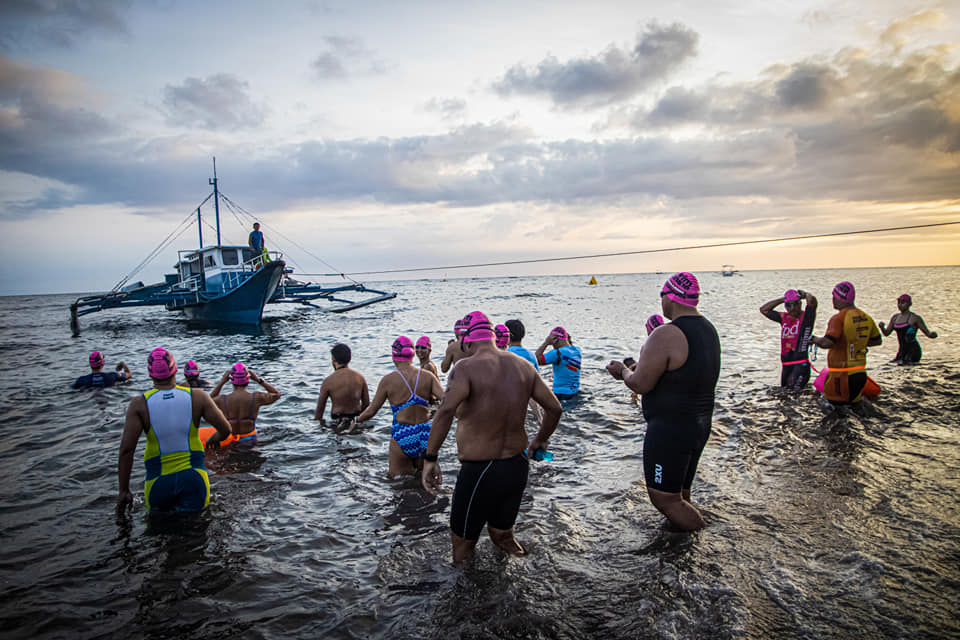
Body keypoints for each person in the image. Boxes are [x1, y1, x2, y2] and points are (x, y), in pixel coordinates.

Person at [421, 311, 563, 563]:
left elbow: (444, 412)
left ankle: (465, 600)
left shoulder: (465, 368)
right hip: (517, 467)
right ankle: (525, 573)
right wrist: (541, 439)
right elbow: (554, 408)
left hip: (480, 470)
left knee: (463, 546)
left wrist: (430, 457)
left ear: (466, 340)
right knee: (502, 536)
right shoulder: (523, 366)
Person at [605, 272, 721, 531]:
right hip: (699, 424)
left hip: (671, 429)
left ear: (670, 297)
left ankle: (706, 540)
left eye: (662, 297)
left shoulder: (667, 333)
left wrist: (622, 370)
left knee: (665, 500)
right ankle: (681, 548)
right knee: (680, 494)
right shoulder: (708, 329)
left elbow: (639, 384)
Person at [116, 347, 232, 515]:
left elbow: (127, 451)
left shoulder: (139, 404)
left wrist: (124, 491)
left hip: (158, 481)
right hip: (194, 477)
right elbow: (226, 429)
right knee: (198, 531)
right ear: (175, 370)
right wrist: (214, 439)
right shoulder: (198, 396)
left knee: (157, 534)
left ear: (150, 374)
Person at [354, 336, 445, 477]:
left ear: (393, 356)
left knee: (397, 484)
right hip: (426, 433)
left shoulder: (388, 380)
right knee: (427, 481)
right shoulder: (427, 376)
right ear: (412, 354)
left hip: (402, 433)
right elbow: (447, 401)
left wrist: (356, 421)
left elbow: (372, 411)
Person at [810, 281, 882, 404]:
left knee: (835, 412)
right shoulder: (865, 317)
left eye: (834, 296)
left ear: (840, 297)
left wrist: (813, 339)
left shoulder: (838, 318)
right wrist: (856, 342)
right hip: (860, 374)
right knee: (855, 407)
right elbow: (877, 341)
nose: (832, 299)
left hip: (841, 375)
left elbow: (828, 343)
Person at [208, 363, 281, 447]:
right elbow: (277, 394)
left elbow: (207, 401)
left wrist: (222, 382)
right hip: (250, 440)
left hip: (230, 441)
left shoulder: (222, 399)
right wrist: (258, 380)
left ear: (231, 380)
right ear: (248, 380)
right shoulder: (256, 398)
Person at [759, 288, 818, 389]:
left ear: (800, 304)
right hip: (786, 365)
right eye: (788, 305)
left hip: (800, 364)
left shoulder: (806, 317)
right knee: (784, 395)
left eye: (795, 304)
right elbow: (764, 309)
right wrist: (783, 299)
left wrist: (805, 294)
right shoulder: (783, 317)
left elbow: (812, 302)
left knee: (792, 394)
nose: (792, 308)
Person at [315, 343, 370, 429]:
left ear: (333, 359)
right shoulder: (360, 378)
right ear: (349, 359)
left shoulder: (328, 381)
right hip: (355, 421)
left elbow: (319, 413)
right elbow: (366, 403)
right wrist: (357, 418)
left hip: (337, 422)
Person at [878, 294, 938, 364]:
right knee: (892, 365)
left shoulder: (915, 318)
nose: (900, 305)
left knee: (907, 366)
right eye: (899, 302)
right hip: (902, 351)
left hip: (913, 350)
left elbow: (927, 333)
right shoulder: (895, 318)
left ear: (909, 304)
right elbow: (887, 333)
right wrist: (882, 327)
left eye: (903, 302)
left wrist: (932, 334)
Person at [535, 326, 582, 399]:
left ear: (555, 340)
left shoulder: (557, 353)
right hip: (575, 392)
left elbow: (535, 360)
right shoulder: (577, 351)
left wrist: (546, 343)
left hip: (560, 394)